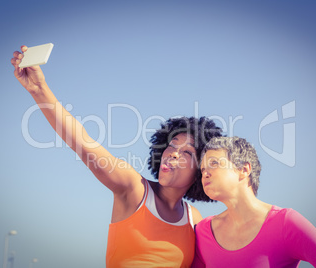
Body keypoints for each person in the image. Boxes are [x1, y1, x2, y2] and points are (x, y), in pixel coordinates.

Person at [11, 45, 222, 267]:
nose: (173, 154)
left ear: (201, 170)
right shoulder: (134, 188)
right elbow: (82, 142)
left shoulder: (194, 219)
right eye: (171, 145)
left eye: (187, 152)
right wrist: (39, 89)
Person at [193, 136, 316, 268]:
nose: (205, 173)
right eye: (203, 170)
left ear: (244, 170)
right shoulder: (202, 232)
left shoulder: (286, 223)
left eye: (214, 164)